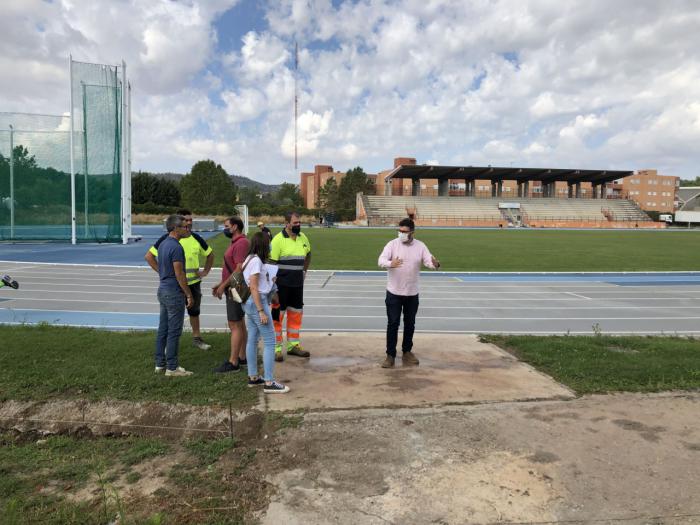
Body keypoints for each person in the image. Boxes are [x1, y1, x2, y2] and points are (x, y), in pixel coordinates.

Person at [145, 209, 214, 351]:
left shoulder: (196, 238)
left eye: (190, 220)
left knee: (194, 312)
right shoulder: (167, 239)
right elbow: (149, 256)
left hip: (193, 283)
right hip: (175, 286)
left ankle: (197, 339)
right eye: (185, 221)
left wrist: (205, 271)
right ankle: (169, 347)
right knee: (172, 317)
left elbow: (210, 254)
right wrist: (163, 272)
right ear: (178, 224)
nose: (188, 223)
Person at [377, 218, 440, 368]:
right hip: (394, 292)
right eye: (399, 231)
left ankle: (407, 352)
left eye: (404, 232)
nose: (401, 234)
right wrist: (390, 263)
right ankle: (390, 355)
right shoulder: (392, 244)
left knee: (410, 324)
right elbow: (380, 260)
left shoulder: (420, 246)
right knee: (393, 323)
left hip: (412, 293)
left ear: (412, 232)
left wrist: (435, 264)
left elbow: (428, 261)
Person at [242, 232, 290, 393]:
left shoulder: (249, 258)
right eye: (268, 243)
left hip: (249, 303)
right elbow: (254, 287)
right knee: (270, 342)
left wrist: (270, 280)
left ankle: (253, 377)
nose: (270, 246)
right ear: (264, 245)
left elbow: (257, 283)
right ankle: (269, 382)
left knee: (253, 339)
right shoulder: (256, 261)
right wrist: (261, 310)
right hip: (257, 303)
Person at [154, 214, 194, 377]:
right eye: (185, 226)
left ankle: (159, 364)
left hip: (162, 290)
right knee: (174, 331)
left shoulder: (163, 244)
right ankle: (172, 367)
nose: (187, 229)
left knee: (163, 328)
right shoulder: (177, 247)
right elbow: (179, 274)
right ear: (176, 228)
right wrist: (189, 294)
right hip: (173, 293)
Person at [269, 211, 311, 361]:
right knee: (277, 317)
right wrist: (273, 290)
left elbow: (309, 254)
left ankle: (293, 346)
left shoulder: (303, 237)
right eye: (295, 223)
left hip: (297, 286)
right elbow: (271, 265)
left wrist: (304, 272)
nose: (298, 225)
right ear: (286, 223)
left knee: (295, 316)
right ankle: (277, 348)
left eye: (299, 222)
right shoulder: (277, 240)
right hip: (281, 287)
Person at [212, 216, 249, 373]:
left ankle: (233, 362)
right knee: (239, 323)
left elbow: (238, 269)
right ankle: (242, 357)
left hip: (235, 288)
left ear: (235, 227)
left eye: (226, 226)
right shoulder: (236, 242)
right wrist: (221, 284)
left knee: (234, 324)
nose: (224, 228)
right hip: (232, 287)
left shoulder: (241, 243)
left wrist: (224, 286)